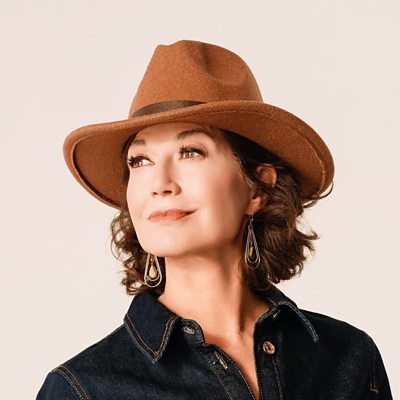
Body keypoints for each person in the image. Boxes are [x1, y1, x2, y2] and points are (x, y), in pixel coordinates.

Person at [36, 40, 393, 399]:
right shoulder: (82, 389)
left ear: (258, 188)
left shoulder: (348, 358)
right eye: (140, 161)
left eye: (191, 152)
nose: (160, 183)